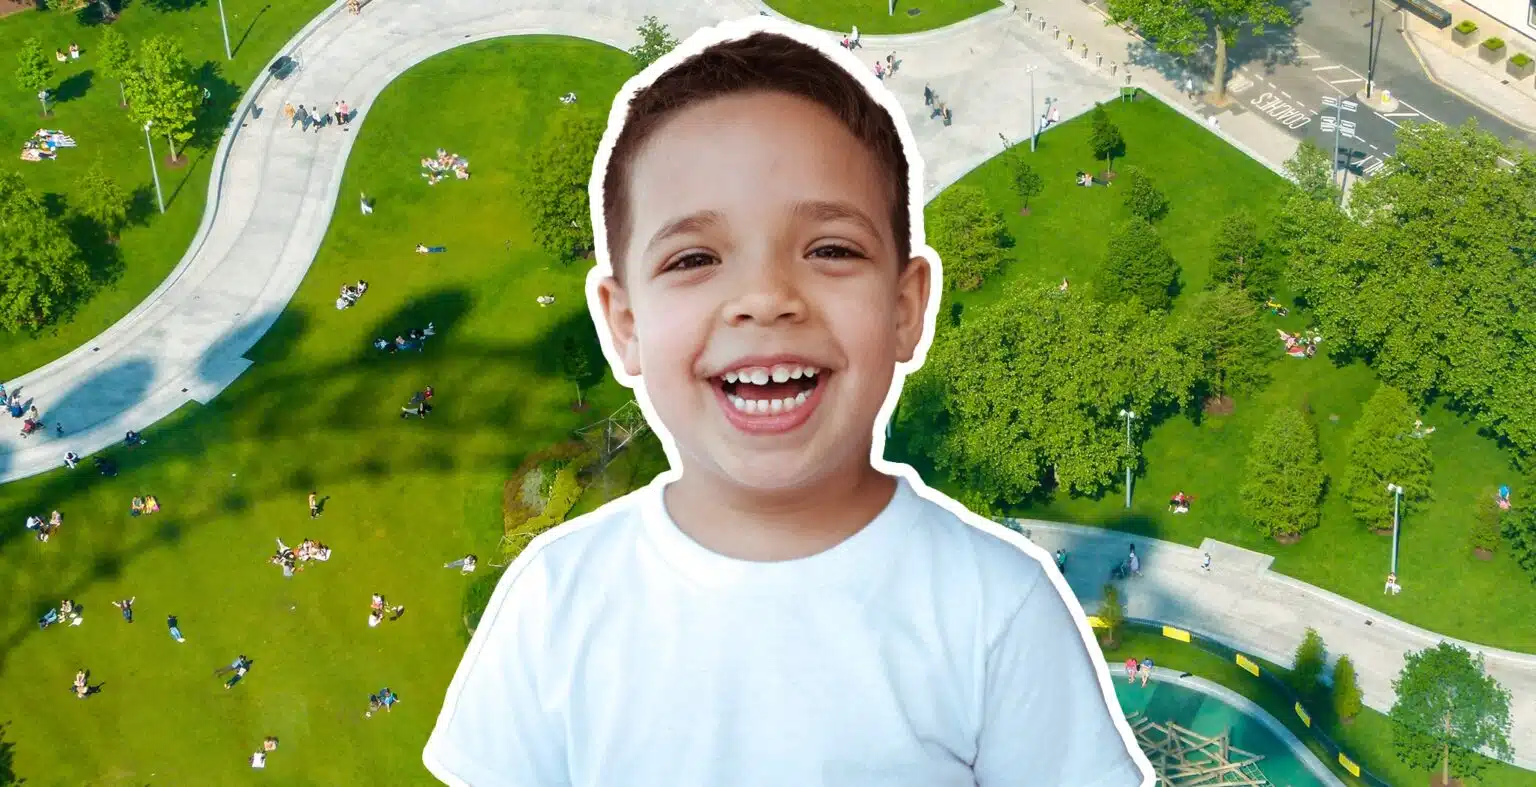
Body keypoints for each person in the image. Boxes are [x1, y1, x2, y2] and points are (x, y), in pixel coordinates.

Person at [423, 25, 1149, 787]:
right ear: (625, 323)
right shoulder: (555, 602)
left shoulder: (995, 608)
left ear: (906, 308)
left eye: (831, 248)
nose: (766, 298)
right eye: (694, 258)